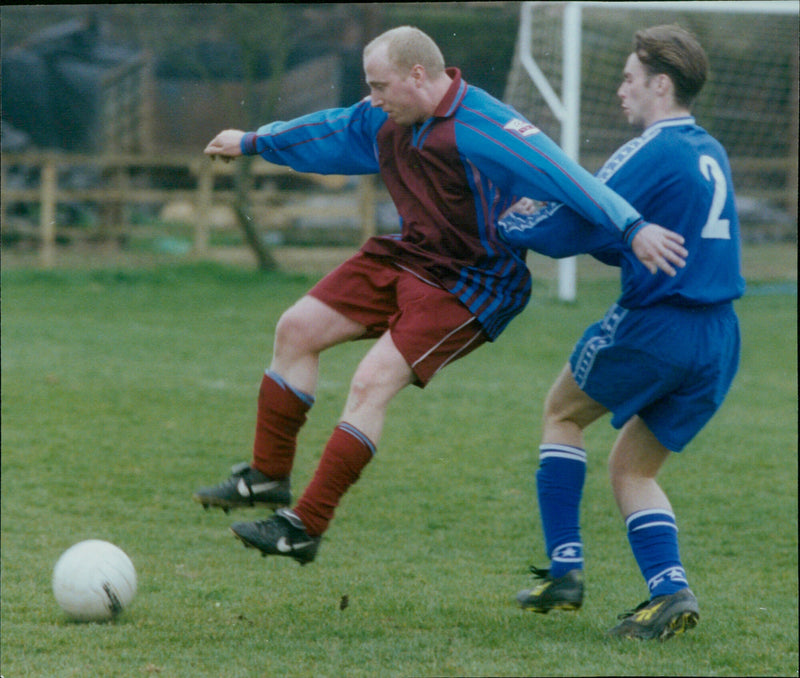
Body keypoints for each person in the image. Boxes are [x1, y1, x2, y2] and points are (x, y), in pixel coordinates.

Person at [194, 25, 687, 567]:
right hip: (410, 254)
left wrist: (632, 225)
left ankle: (304, 527)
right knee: (296, 329)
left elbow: (565, 176)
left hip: (473, 281)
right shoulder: (385, 117)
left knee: (370, 380)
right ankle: (267, 477)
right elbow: (329, 130)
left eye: (380, 85)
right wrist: (253, 141)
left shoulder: (485, 125)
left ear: (418, 76)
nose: (373, 97)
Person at [500, 25, 744, 640]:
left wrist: (512, 225)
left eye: (630, 79)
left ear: (661, 85)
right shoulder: (710, 150)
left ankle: (565, 572)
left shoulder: (651, 149)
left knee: (560, 413)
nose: (620, 90)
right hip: (719, 341)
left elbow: (578, 221)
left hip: (657, 326)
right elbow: (629, 240)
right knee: (634, 469)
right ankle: (670, 592)